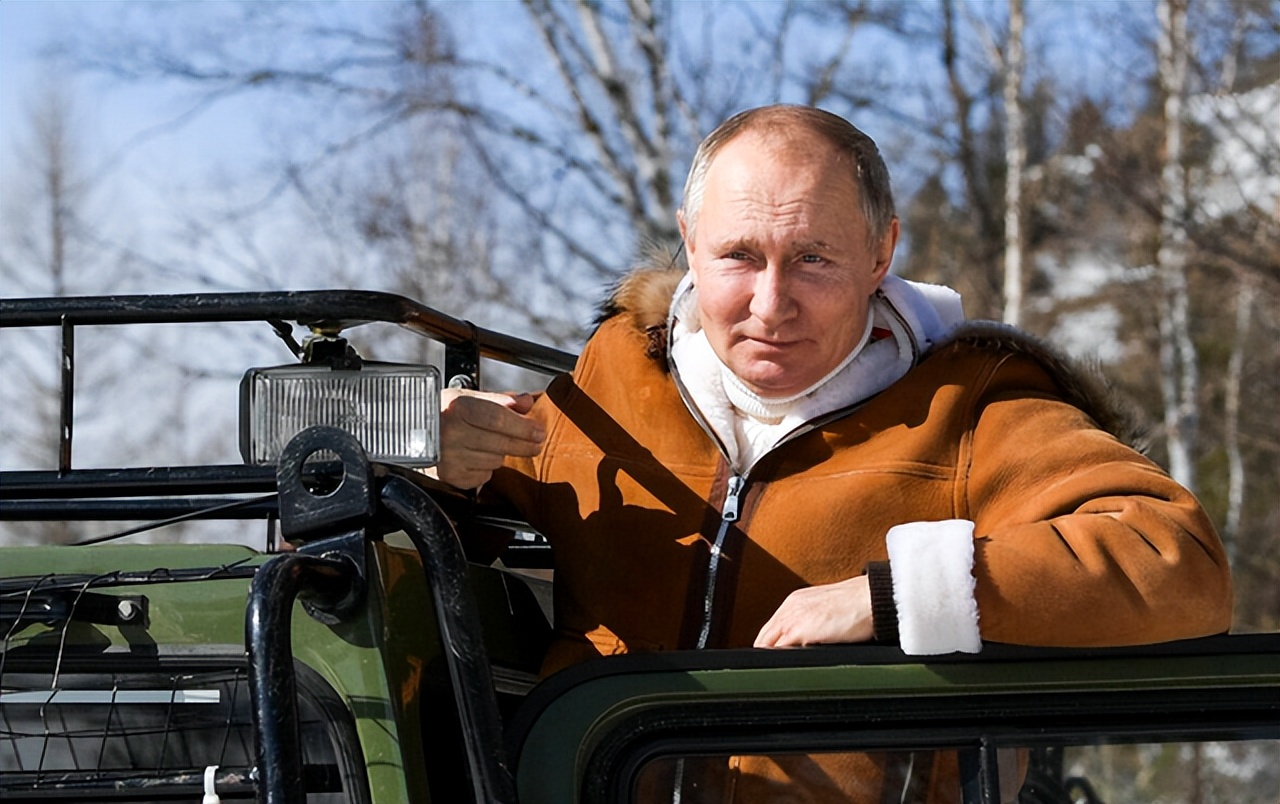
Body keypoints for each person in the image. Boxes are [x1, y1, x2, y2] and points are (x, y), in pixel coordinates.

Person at [435, 105, 1232, 800]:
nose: (771, 303)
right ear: (690, 241)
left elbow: (1177, 563)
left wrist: (894, 597)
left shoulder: (970, 404)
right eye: (738, 256)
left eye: (813, 258)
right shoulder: (613, 383)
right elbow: (405, 556)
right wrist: (440, 463)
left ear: (881, 252)